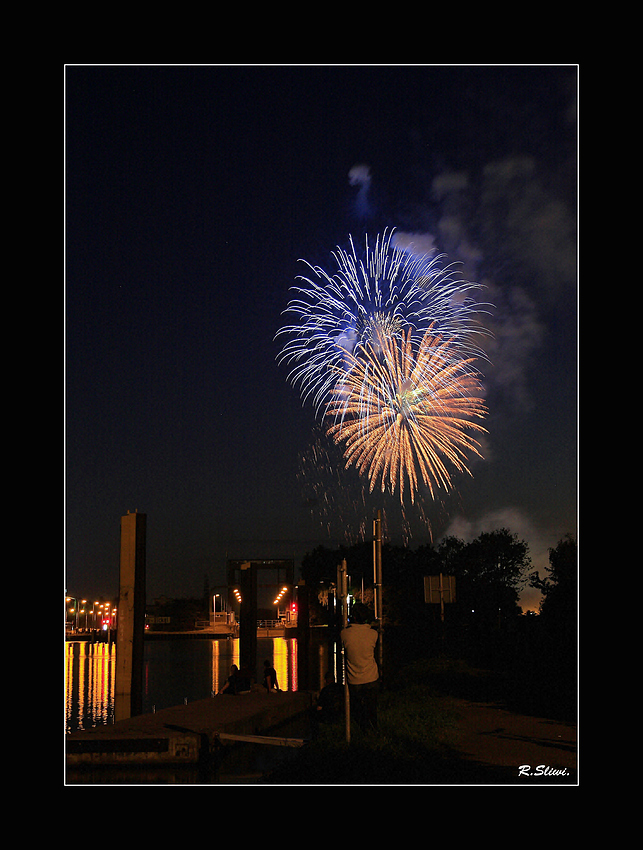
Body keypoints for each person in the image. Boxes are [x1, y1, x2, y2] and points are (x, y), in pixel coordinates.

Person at [340, 602, 379, 731]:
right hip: (371, 676)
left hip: (354, 679)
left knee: (357, 708)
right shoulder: (373, 634)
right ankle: (374, 730)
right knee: (371, 707)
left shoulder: (344, 634)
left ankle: (362, 729)